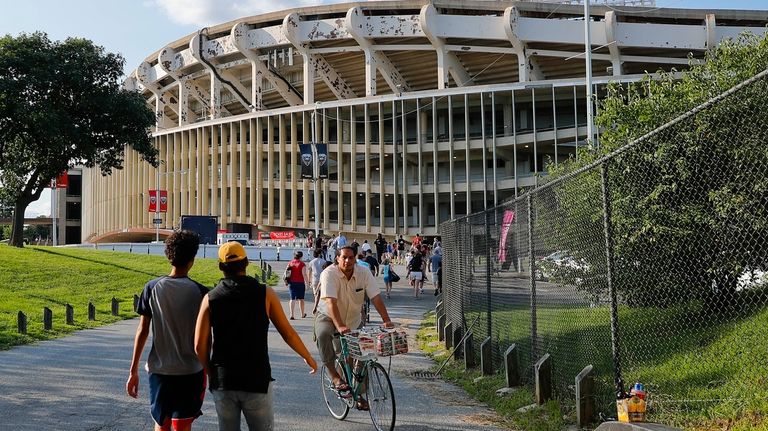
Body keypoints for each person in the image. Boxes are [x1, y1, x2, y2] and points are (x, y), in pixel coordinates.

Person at [195, 241, 317, 431]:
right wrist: (307, 356)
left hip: (224, 380)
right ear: (246, 262)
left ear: (220, 267)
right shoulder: (265, 293)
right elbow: (287, 333)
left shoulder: (210, 298)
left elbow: (199, 345)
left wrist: (211, 372)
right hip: (256, 379)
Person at [126, 230, 208, 431]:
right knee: (182, 426)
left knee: (161, 424)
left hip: (159, 370)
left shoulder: (151, 288)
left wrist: (133, 371)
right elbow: (206, 338)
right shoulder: (201, 293)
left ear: (168, 256)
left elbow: (142, 330)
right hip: (191, 370)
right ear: (192, 259)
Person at [314, 246, 394, 411]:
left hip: (353, 320)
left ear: (356, 259)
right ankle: (334, 376)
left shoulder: (363, 273)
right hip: (329, 316)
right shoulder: (329, 273)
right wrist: (340, 325)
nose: (348, 261)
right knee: (322, 334)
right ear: (337, 258)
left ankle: (357, 395)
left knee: (357, 356)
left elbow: (376, 297)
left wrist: (387, 320)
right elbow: (331, 303)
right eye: (344, 257)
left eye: (351, 258)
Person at [285, 250, 309, 319]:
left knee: (292, 299)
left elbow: (286, 273)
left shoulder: (290, 263)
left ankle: (292, 315)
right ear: (301, 256)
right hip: (300, 283)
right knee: (301, 299)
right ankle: (302, 314)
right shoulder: (302, 264)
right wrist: (307, 283)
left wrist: (286, 281)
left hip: (292, 283)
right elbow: (304, 274)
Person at [308, 248, 326, 314]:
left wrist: (309, 281)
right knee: (322, 295)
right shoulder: (324, 261)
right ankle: (318, 307)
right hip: (322, 279)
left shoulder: (312, 262)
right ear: (319, 254)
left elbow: (309, 272)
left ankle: (316, 306)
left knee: (316, 294)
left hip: (314, 279)